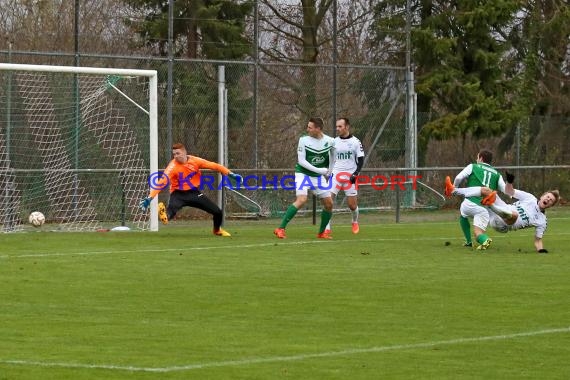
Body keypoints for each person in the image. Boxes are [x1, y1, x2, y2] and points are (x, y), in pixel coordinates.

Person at [139, 143, 242, 237]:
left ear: (184, 152)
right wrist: (149, 198)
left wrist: (231, 174)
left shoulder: (195, 161)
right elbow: (161, 183)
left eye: (178, 153)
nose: (175, 156)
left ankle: (217, 230)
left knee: (218, 212)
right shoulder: (172, 167)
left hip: (193, 193)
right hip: (178, 193)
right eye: (174, 154)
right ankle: (165, 216)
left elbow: (214, 166)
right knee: (172, 210)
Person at [452, 183, 560, 253]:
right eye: (548, 197)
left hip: (503, 225)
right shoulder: (530, 198)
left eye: (551, 201)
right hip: (502, 208)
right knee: (486, 190)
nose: (548, 200)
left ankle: (490, 204)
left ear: (551, 206)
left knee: (514, 215)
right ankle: (453, 190)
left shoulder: (542, 221)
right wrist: (507, 184)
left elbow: (538, 240)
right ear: (542, 196)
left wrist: (541, 250)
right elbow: (511, 192)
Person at [274, 117, 335, 239]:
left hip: (318, 177)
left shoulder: (330, 141)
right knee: (301, 199)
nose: (307, 129)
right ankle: (280, 229)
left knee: (329, 204)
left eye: (310, 127)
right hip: (303, 174)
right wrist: (320, 170)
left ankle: (322, 232)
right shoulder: (303, 140)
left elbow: (333, 156)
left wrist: (330, 170)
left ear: (318, 129)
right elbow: (301, 161)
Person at [444, 149, 507, 250]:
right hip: (485, 208)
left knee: (463, 213)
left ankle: (469, 242)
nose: (476, 159)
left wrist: (454, 187)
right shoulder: (497, 174)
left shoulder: (473, 166)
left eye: (477, 157)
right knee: (478, 233)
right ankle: (484, 239)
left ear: (481, 158)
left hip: (470, 203)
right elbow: (505, 190)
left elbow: (459, 178)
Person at [324, 117, 364, 234]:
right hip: (336, 174)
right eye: (336, 126)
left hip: (350, 176)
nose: (337, 129)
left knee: (352, 205)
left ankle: (354, 221)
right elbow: (330, 158)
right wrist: (329, 172)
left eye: (340, 126)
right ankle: (327, 227)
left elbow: (361, 160)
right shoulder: (334, 142)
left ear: (347, 127)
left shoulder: (356, 142)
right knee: (328, 201)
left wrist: (356, 174)